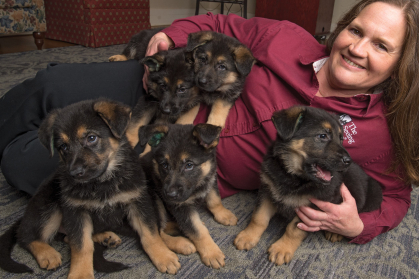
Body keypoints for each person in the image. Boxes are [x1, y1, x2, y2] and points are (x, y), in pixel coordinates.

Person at [0, 0, 418, 245]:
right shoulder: (286, 38)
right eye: (356, 30)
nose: (358, 48)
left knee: (25, 164)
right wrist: (170, 37)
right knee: (50, 83)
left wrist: (359, 224)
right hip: (163, 87)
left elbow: (397, 196)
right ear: (342, 28)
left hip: (167, 151)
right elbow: (217, 24)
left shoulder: (379, 128)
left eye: (381, 45)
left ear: (402, 63)